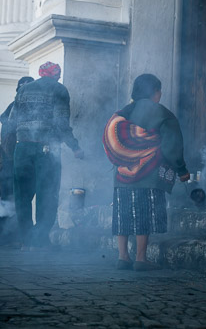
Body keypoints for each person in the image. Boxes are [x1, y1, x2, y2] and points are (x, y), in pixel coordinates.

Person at [103, 74, 189, 271]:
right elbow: (171, 146)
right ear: (154, 92)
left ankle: (123, 256)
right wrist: (181, 169)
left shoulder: (123, 112)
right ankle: (141, 258)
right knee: (144, 213)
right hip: (148, 174)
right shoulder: (162, 113)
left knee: (123, 214)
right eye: (159, 90)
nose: (161, 94)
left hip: (122, 174)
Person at [8, 62, 84, 251]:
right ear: (55, 75)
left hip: (22, 149)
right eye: (58, 74)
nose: (59, 77)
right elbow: (61, 123)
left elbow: (11, 122)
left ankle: (26, 241)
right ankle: (40, 241)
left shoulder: (23, 90)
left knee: (22, 196)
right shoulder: (59, 89)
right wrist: (75, 147)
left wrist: (13, 151)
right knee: (47, 195)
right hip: (47, 150)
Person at [0, 77, 34, 201]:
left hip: (26, 161)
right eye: (22, 88)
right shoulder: (13, 107)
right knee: (8, 195)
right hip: (10, 160)